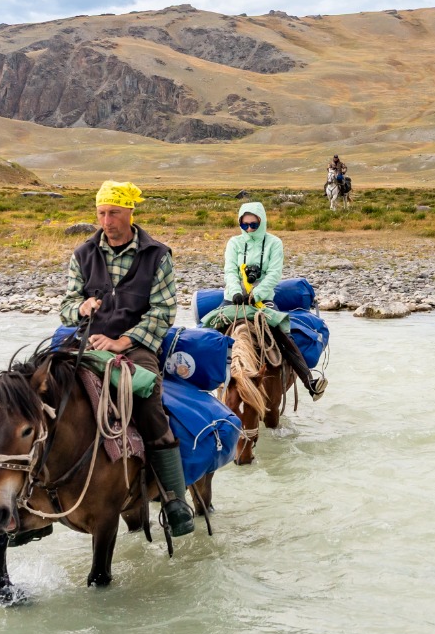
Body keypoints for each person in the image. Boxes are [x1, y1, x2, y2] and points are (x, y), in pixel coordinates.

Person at [58, 181, 194, 539]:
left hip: (136, 347)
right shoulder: (83, 254)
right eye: (101, 213)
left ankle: (174, 498)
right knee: (43, 392)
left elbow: (163, 311)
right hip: (88, 344)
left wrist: (122, 341)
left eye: (114, 213)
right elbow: (66, 306)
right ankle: (34, 499)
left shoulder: (157, 255)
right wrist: (81, 307)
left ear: (130, 213)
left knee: (147, 398)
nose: (107, 221)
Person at [223, 201, 326, 399]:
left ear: (262, 222)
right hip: (234, 299)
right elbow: (230, 271)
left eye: (254, 224)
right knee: (209, 331)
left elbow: (274, 274)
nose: (249, 229)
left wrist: (256, 295)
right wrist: (236, 292)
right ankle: (196, 382)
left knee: (282, 333)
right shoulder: (234, 243)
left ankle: (309, 381)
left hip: (262, 300)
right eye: (245, 225)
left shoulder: (274, 243)